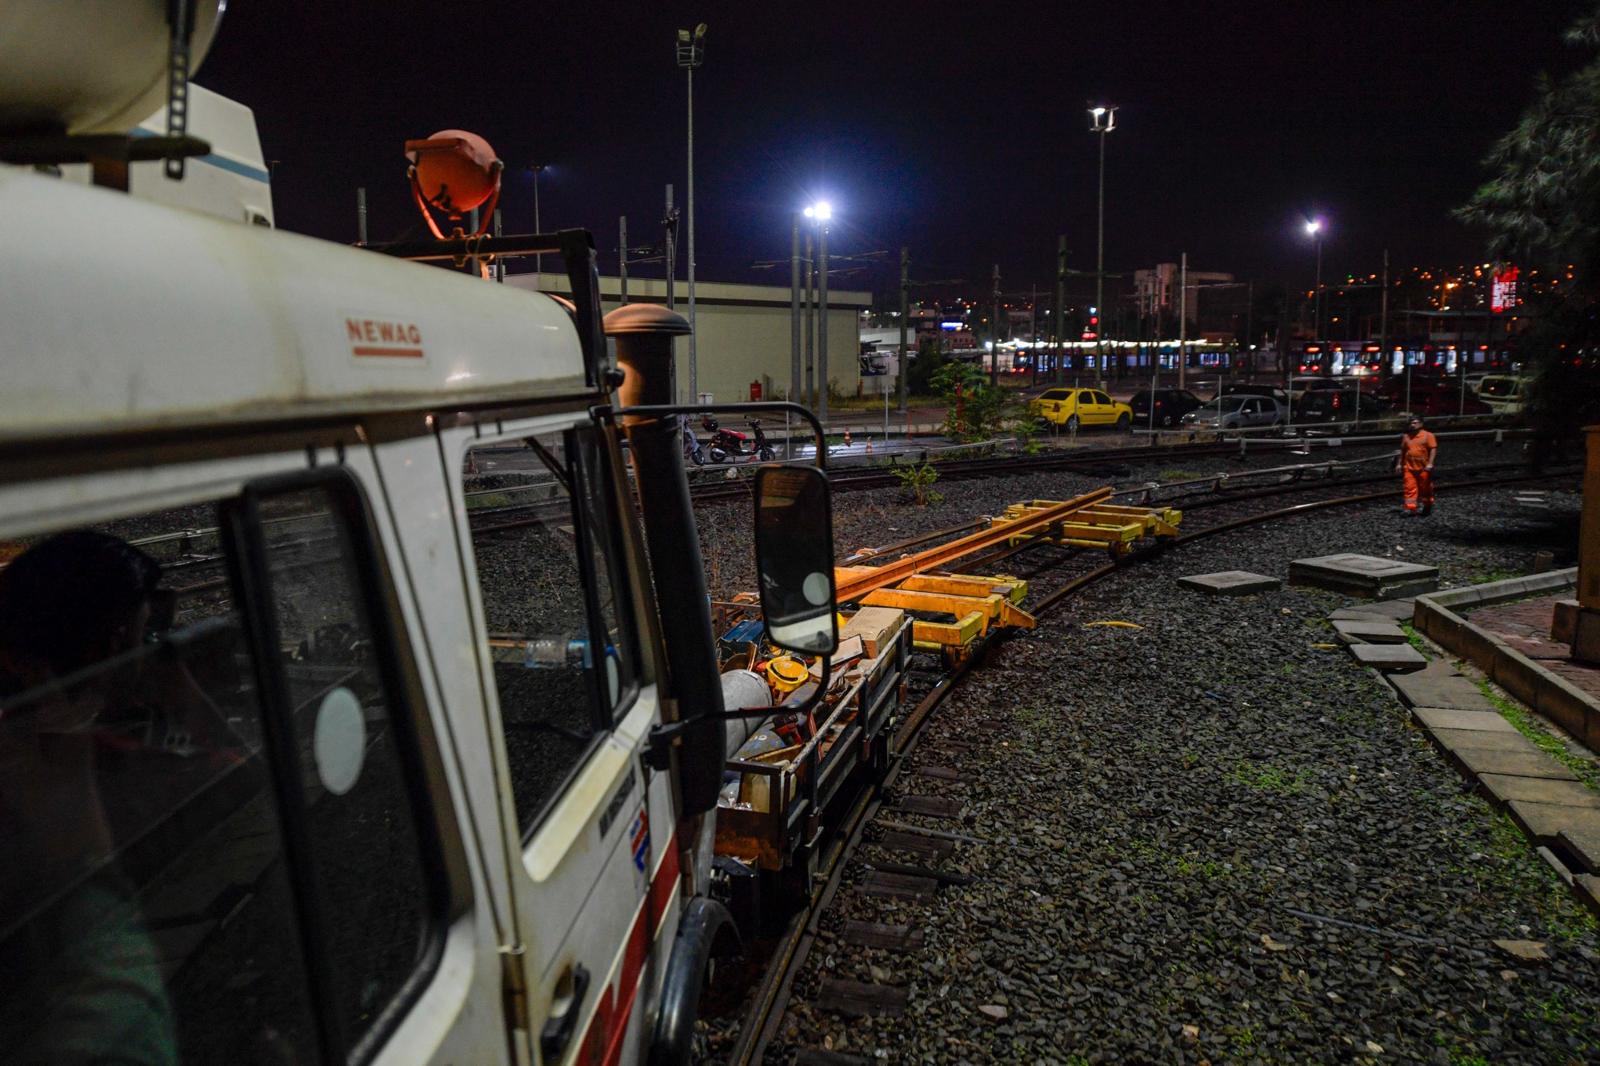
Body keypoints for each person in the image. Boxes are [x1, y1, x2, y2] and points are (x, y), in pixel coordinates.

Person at [1394, 414, 1438, 516]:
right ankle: (1410, 508)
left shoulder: (1428, 435)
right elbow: (1403, 451)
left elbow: (1433, 449)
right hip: (1409, 467)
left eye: (1415, 423)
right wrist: (1399, 464)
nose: (1412, 425)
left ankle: (1427, 505)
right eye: (1411, 423)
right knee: (1409, 488)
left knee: (1425, 488)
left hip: (1423, 467)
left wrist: (1430, 463)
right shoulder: (1406, 437)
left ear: (1421, 424)